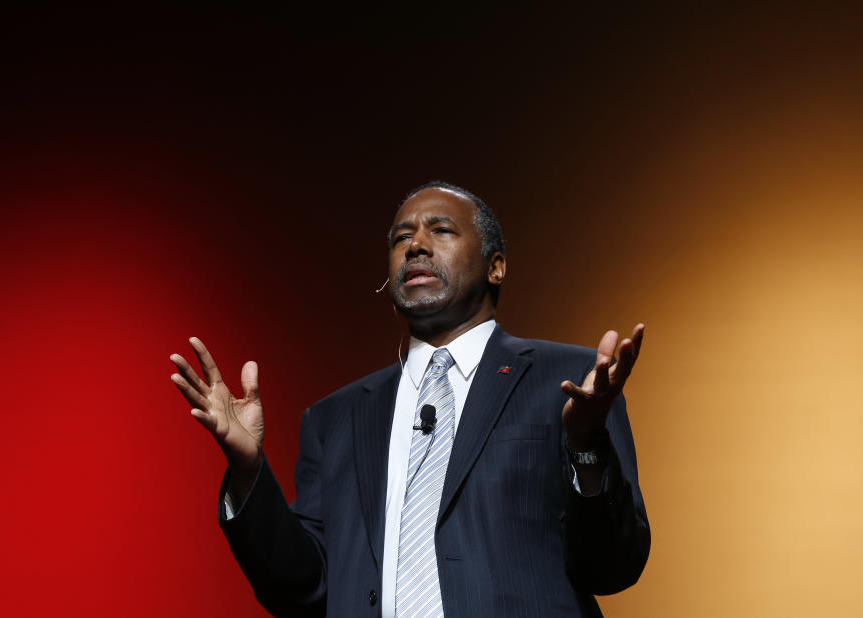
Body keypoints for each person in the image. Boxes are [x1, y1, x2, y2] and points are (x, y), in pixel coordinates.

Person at [170, 181, 650, 617]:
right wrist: (250, 471)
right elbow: (305, 588)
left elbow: (613, 567)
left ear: (496, 266)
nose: (416, 245)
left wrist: (585, 445)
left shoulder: (568, 381)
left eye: (440, 230)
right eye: (401, 238)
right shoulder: (334, 417)